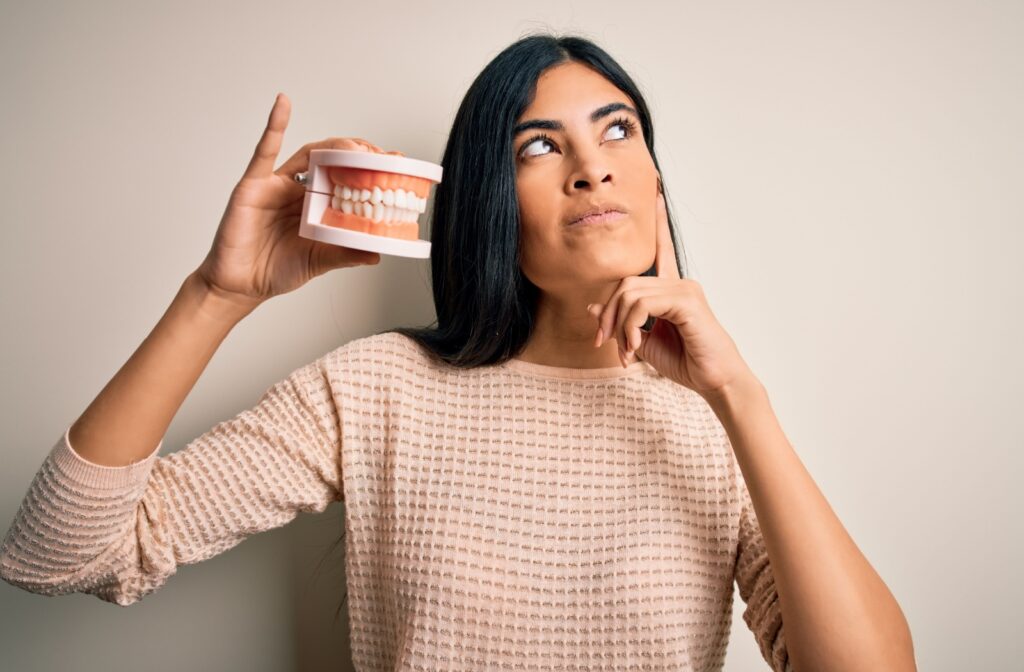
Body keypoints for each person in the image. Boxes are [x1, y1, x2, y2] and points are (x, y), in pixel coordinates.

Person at [1, 33, 806, 672]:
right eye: (538, 147)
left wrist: (739, 397)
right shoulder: (380, 390)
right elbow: (58, 556)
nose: (593, 168)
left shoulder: (721, 420)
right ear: (490, 203)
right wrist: (216, 296)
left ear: (656, 184)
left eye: (619, 131)